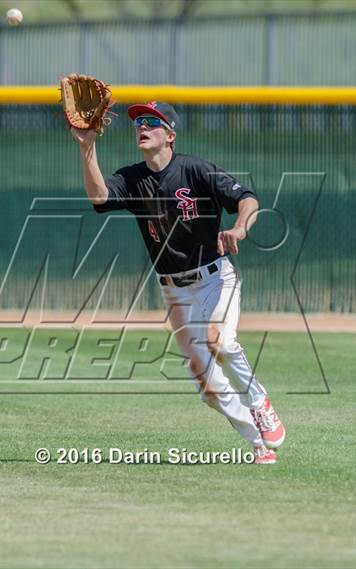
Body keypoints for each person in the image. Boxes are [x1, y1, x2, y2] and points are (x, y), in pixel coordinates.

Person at [71, 101, 285, 465]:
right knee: (208, 389)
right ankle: (257, 442)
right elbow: (99, 197)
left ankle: (259, 400)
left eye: (153, 122)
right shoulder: (132, 178)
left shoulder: (195, 169)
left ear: (170, 135)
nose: (143, 126)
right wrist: (86, 145)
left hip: (215, 277)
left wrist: (239, 228)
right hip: (173, 289)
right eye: (139, 121)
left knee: (220, 340)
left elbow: (247, 198)